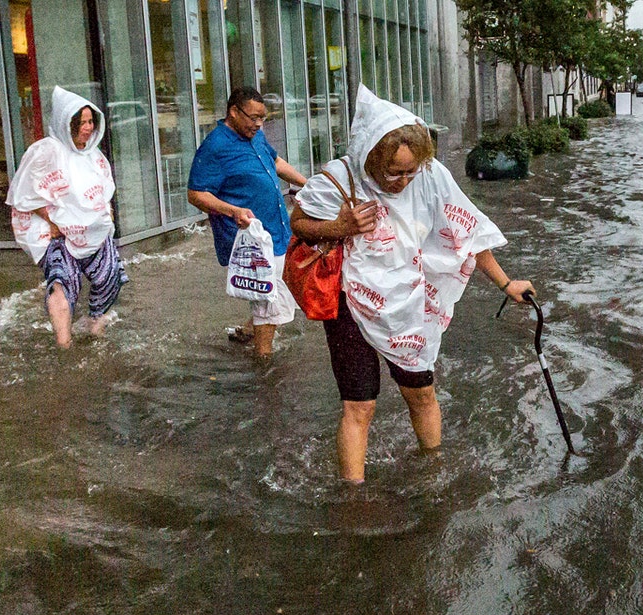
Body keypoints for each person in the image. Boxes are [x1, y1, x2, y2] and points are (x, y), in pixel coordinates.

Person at [291, 85, 535, 484]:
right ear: (371, 158)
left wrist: (506, 283)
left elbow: (466, 233)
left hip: (410, 306)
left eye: (410, 171)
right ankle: (354, 499)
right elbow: (297, 223)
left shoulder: (430, 176)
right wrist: (340, 226)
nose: (403, 181)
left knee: (421, 393)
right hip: (350, 302)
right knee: (359, 405)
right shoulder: (339, 177)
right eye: (393, 172)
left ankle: (433, 469)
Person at [187, 87, 307, 357]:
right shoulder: (215, 146)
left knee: (280, 289)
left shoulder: (255, 136)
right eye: (253, 117)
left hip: (276, 229)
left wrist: (307, 183)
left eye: (262, 118)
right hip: (249, 238)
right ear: (233, 112)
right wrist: (232, 211)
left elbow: (275, 162)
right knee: (267, 299)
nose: (258, 124)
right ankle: (263, 359)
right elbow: (195, 194)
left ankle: (247, 332)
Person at [7, 86, 127, 348]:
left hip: (92, 230)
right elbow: (23, 194)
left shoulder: (93, 155)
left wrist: (106, 212)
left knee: (108, 276)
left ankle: (96, 327)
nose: (87, 128)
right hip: (56, 233)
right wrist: (52, 221)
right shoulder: (46, 151)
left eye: (90, 122)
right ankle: (65, 342)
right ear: (66, 123)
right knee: (62, 281)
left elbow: (102, 191)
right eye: (81, 122)